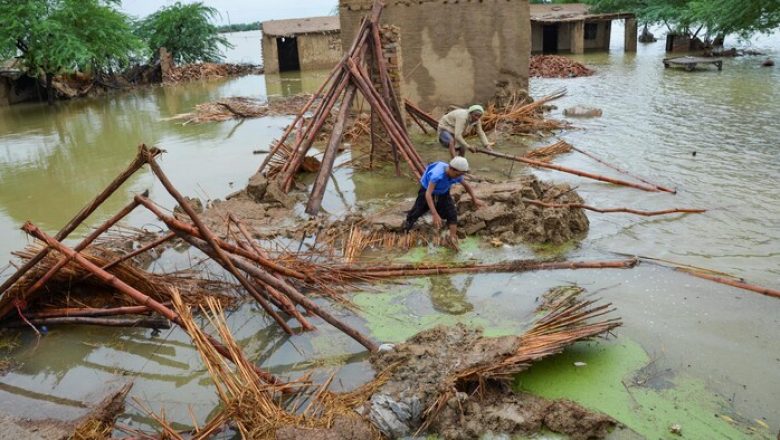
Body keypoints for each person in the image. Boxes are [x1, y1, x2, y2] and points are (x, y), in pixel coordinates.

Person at [402, 157, 484, 250]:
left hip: (443, 191)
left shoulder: (457, 174)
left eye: (460, 175)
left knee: (452, 212)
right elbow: (428, 194)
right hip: (427, 190)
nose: (458, 177)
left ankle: (452, 239)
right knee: (415, 213)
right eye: (457, 174)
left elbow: (466, 185)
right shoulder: (437, 175)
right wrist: (434, 214)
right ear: (451, 168)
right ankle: (405, 236)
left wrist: (474, 199)